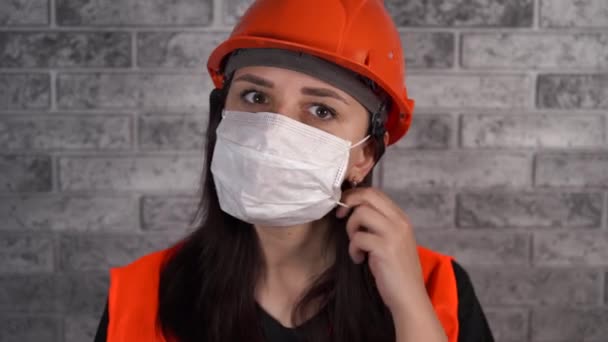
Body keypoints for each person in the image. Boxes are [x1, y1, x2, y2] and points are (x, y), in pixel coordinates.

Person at [94, 0, 494, 341]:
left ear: (365, 155)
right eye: (255, 96)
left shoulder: (438, 290)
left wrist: (409, 309)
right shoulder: (140, 298)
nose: (273, 132)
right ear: (222, 116)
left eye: (321, 110)